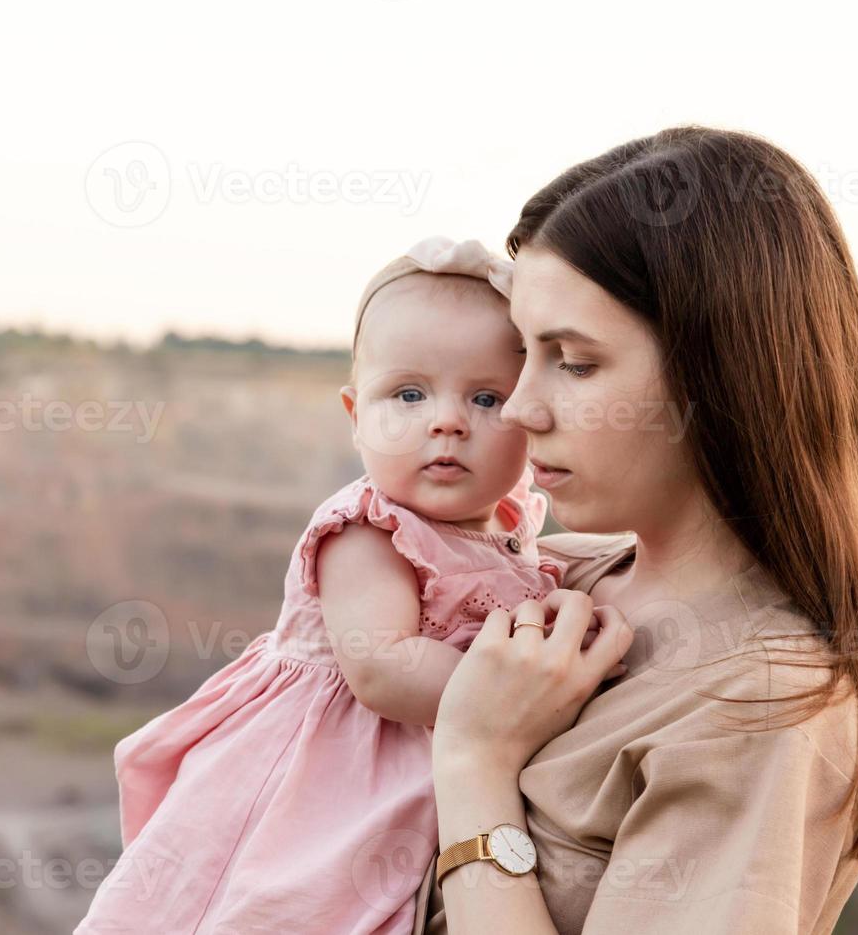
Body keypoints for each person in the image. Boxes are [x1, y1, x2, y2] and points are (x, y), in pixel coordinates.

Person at [412, 126, 858, 934]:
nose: (519, 406)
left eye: (573, 362)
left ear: (720, 375)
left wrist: (474, 763)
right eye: (522, 353)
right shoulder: (548, 573)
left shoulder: (761, 700)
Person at [75, 236, 592, 933]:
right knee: (280, 904)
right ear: (357, 417)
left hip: (419, 778)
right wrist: (538, 694)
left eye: (486, 397)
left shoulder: (513, 531)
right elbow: (383, 666)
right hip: (324, 775)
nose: (446, 419)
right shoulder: (366, 529)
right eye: (408, 394)